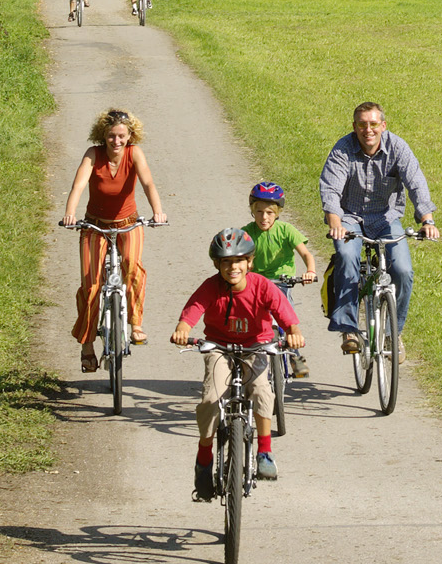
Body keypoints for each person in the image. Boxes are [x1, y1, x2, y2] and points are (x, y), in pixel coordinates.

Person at [171, 228, 304, 493]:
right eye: (226, 262)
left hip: (256, 346)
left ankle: (265, 451)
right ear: (217, 265)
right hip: (219, 347)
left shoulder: (262, 286)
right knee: (211, 397)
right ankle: (205, 455)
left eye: (239, 261)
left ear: (250, 262)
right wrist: (183, 328)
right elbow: (194, 308)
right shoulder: (212, 286)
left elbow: (283, 311)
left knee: (261, 391)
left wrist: (294, 333)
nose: (233, 268)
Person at [320, 101, 439, 363]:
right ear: (354, 127)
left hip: (386, 219)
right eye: (362, 125)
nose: (368, 130)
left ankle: (392, 334)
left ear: (383, 126)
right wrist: (335, 222)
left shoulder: (397, 148)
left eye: (374, 124)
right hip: (349, 218)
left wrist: (427, 220)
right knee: (347, 257)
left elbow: (416, 183)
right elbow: (330, 189)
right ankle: (348, 329)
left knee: (403, 270)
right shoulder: (343, 150)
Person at [61, 108, 168, 372]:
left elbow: (148, 184)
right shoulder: (93, 155)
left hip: (128, 224)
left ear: (130, 135)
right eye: (111, 136)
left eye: (122, 136)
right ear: (103, 135)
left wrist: (158, 211)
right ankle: (87, 344)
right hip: (94, 227)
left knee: (132, 267)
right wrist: (70, 214)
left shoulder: (135, 153)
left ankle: (136, 324)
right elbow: (78, 186)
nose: (117, 142)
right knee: (92, 285)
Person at [244, 181, 316, 378]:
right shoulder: (247, 232)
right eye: (259, 212)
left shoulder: (285, 230)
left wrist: (310, 271)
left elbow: (306, 254)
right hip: (256, 283)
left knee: (286, 315)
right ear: (252, 211)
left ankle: (295, 355)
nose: (264, 217)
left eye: (269, 212)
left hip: (281, 282)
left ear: (277, 212)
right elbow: (241, 257)